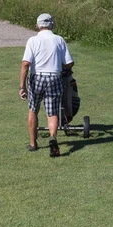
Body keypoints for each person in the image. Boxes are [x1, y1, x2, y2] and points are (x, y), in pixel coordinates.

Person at [19, 13, 74, 157]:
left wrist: (22, 86)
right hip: (54, 78)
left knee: (33, 110)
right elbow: (69, 62)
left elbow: (25, 64)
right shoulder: (59, 40)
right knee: (52, 112)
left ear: (37, 26)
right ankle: (53, 138)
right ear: (51, 25)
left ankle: (33, 144)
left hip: (37, 78)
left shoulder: (32, 40)